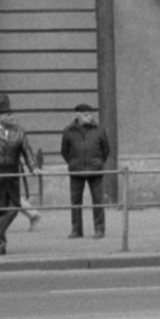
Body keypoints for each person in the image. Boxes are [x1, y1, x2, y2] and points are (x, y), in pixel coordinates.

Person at [0, 96, 40, 254]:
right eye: (7, 115)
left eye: (11, 114)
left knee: (12, 209)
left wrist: (33, 167)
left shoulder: (19, 131)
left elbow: (27, 151)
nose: (11, 117)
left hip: (11, 177)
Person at [61, 102, 111, 239]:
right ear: (77, 115)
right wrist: (72, 163)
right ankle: (77, 230)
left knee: (98, 201)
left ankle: (99, 229)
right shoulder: (68, 131)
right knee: (75, 202)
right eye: (85, 115)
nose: (89, 117)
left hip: (95, 170)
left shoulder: (99, 130)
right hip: (76, 170)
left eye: (90, 114)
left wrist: (99, 162)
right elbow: (64, 151)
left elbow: (106, 149)